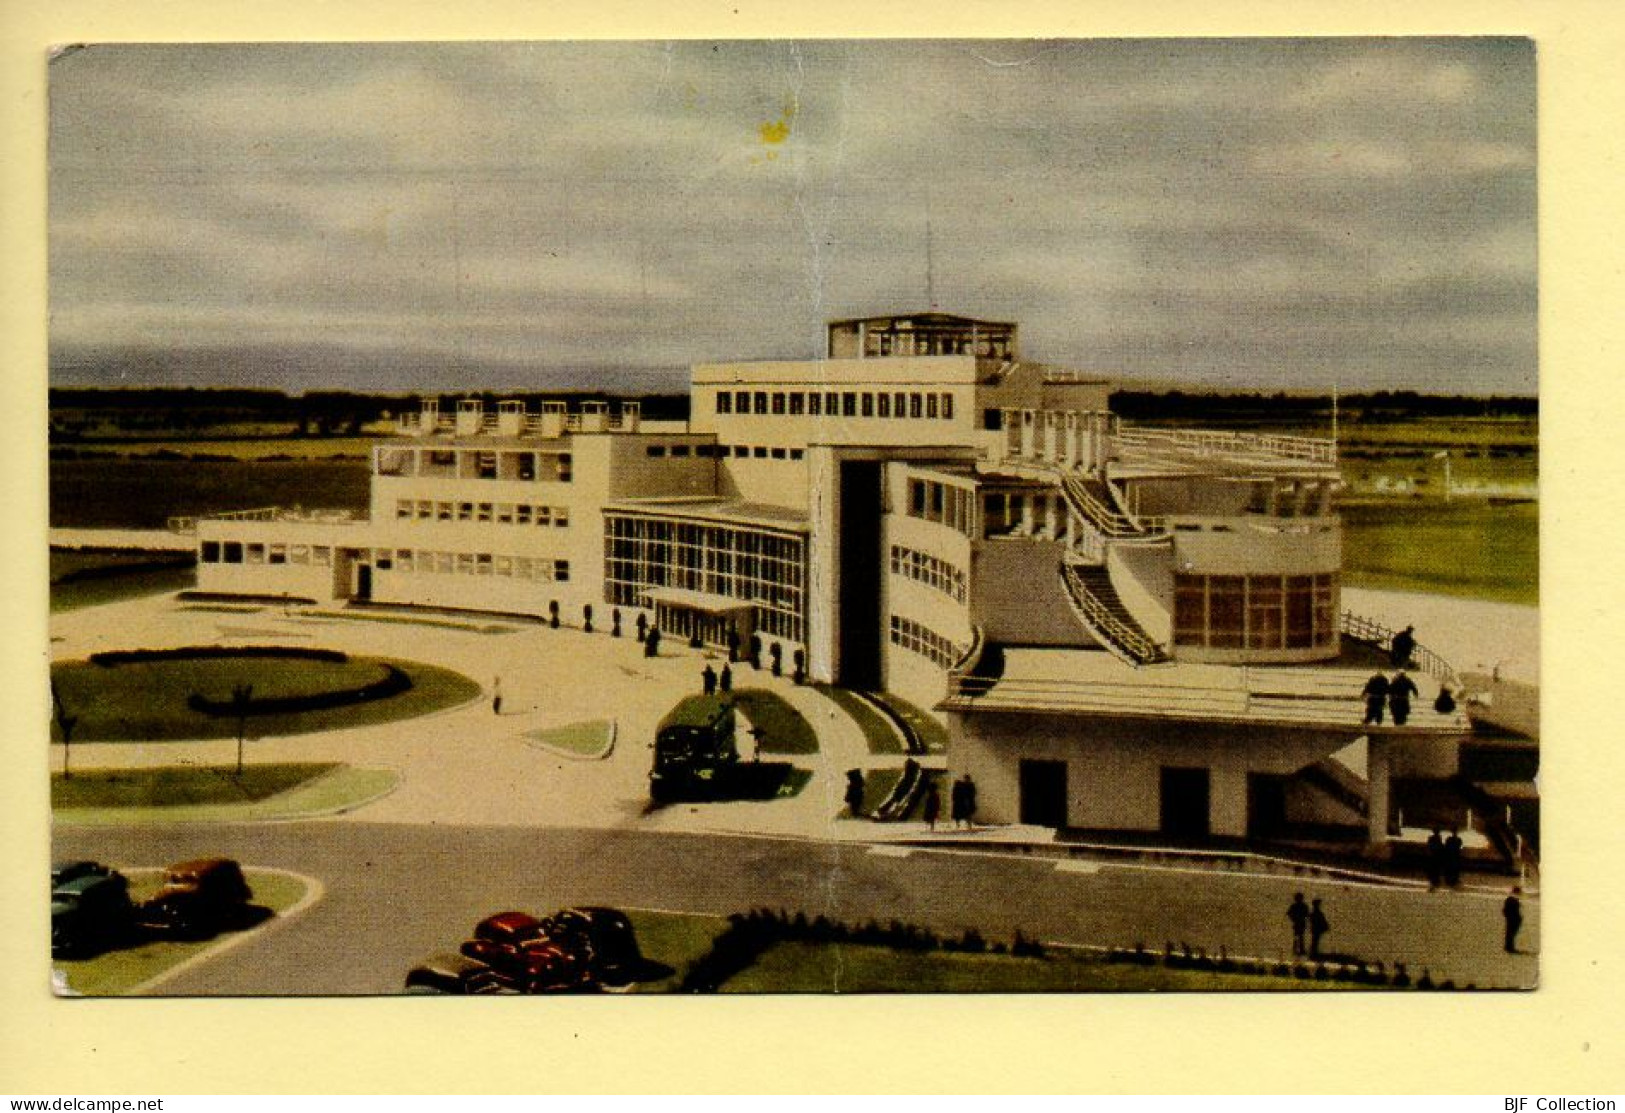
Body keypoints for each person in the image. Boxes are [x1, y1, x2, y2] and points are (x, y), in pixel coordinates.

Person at [1503, 887, 1524, 953]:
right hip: (1514, 918)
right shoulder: (1513, 900)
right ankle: (1509, 947)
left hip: (1511, 918)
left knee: (1510, 933)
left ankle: (1508, 946)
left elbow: (1505, 910)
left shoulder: (1510, 899)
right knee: (1511, 933)